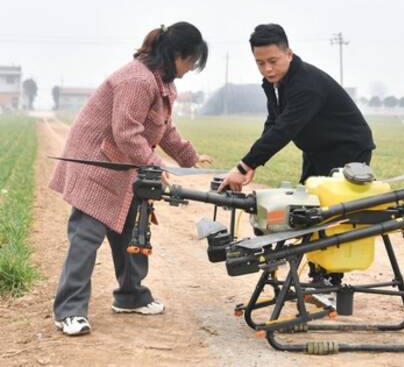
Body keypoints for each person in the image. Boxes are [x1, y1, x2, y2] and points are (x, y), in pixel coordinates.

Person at [49, 22, 212, 336]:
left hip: (123, 167)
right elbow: (126, 132)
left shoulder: (163, 83)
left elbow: (163, 128)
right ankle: (69, 310)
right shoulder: (137, 80)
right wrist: (154, 164)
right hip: (97, 165)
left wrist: (189, 157)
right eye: (191, 62)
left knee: (132, 232)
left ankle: (130, 296)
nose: (191, 69)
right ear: (177, 54)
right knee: (87, 237)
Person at [220, 23, 375, 191]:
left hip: (346, 150)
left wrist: (243, 166)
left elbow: (285, 129)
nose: (268, 69)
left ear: (289, 54)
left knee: (334, 206)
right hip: (315, 151)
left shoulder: (306, 85)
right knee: (309, 203)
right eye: (260, 63)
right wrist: (252, 164)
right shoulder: (273, 82)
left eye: (273, 61)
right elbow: (273, 122)